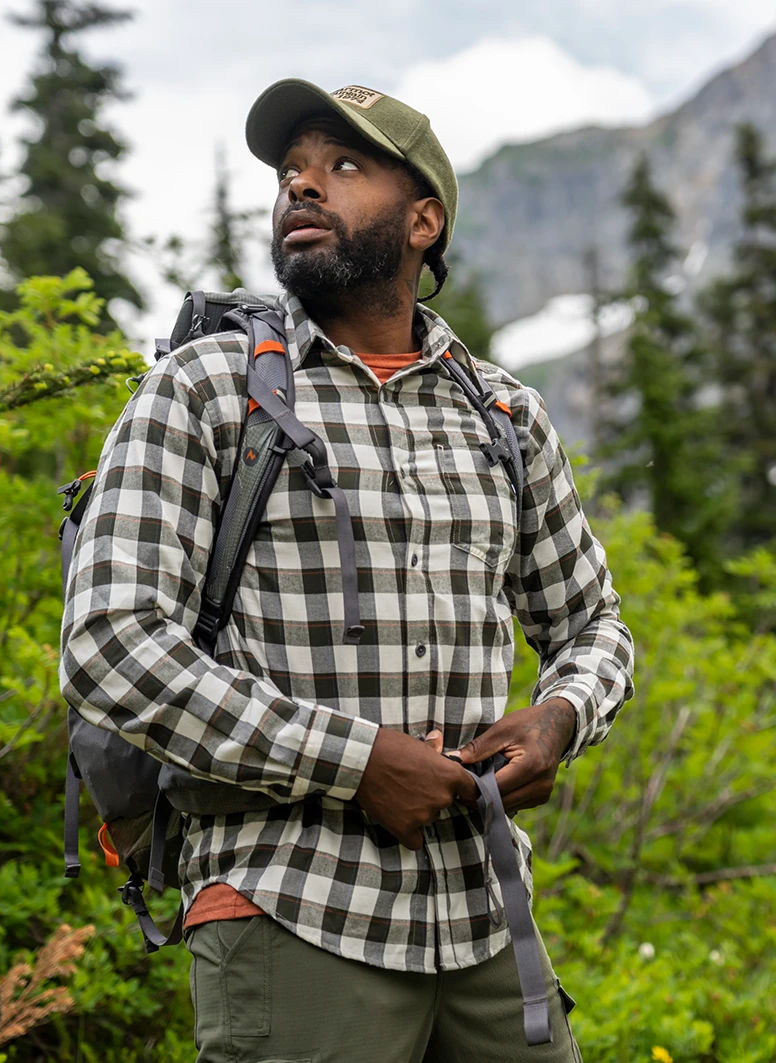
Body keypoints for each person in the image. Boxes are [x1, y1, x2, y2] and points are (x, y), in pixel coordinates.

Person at [60, 79, 634, 1063]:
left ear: (423, 221)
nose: (302, 185)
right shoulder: (206, 391)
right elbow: (111, 643)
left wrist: (561, 717)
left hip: (486, 917)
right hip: (290, 903)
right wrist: (356, 761)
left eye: (344, 165)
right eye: (291, 170)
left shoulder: (503, 417)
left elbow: (594, 626)